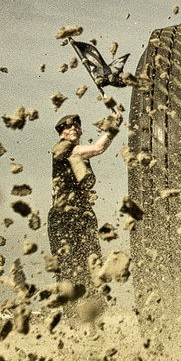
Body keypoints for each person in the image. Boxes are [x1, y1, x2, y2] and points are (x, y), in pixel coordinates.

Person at [47, 111, 122, 299]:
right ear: (61, 133)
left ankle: (93, 309)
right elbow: (98, 148)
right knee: (68, 265)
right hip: (63, 217)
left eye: (76, 125)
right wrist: (113, 126)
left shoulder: (80, 155)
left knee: (92, 262)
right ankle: (72, 313)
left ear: (80, 131)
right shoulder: (63, 148)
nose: (73, 127)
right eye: (67, 126)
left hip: (84, 215)